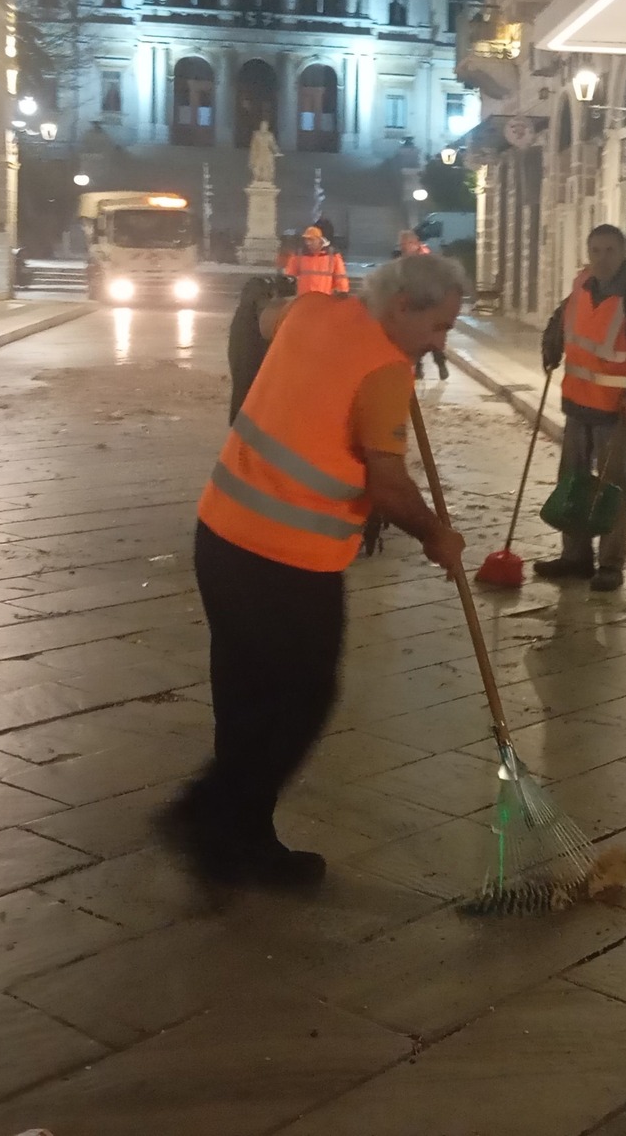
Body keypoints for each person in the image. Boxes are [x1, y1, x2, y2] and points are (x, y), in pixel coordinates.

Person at [171, 254, 468, 888]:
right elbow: (388, 486)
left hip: (221, 534)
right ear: (402, 307)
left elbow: (263, 318)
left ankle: (239, 838)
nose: (441, 342)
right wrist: (436, 535)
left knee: (245, 692)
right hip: (290, 563)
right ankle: (207, 815)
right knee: (303, 699)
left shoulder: (311, 310)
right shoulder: (386, 371)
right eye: (438, 325)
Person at [535, 225, 626, 593]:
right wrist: (551, 347)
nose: (602, 258)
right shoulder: (582, 285)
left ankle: (611, 565)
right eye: (596, 250)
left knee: (611, 490)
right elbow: (561, 321)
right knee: (571, 483)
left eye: (610, 250)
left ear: (624, 252)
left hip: (615, 412)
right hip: (576, 405)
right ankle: (575, 557)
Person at [227, 271, 296, 425]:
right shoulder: (263, 312)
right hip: (258, 413)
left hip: (248, 407)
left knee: (244, 390)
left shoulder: (244, 316)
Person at [398, 230, 451, 382]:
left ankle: (440, 363)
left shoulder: (426, 259)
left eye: (406, 244)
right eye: (402, 245)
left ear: (414, 244)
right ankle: (419, 367)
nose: (404, 247)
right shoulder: (406, 259)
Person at [283, 225, 349, 296]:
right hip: (304, 298)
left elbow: (340, 276)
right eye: (306, 240)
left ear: (320, 240)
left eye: (311, 239)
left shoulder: (333, 255)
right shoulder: (299, 254)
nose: (308, 243)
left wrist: (343, 291)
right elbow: (290, 274)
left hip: (323, 298)